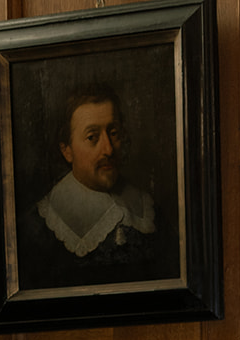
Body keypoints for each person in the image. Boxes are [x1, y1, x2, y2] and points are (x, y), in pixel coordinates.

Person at [17, 84, 160, 290]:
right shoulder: (37, 230)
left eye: (114, 133)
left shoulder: (150, 212)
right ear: (67, 151)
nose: (108, 149)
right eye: (92, 137)